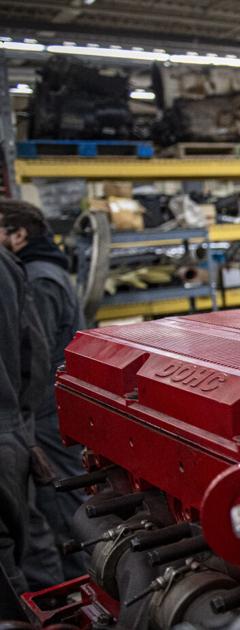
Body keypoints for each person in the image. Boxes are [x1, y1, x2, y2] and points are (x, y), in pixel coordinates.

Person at [0, 200, 88, 588]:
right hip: (43, 403)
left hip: (45, 407)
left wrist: (23, 415)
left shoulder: (38, 278)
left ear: (19, 234)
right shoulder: (42, 271)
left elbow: (34, 351)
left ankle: (77, 582)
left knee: (58, 496)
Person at [0, 244, 53, 601]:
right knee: (26, 541)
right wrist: (20, 424)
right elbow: (34, 356)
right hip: (10, 430)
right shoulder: (6, 263)